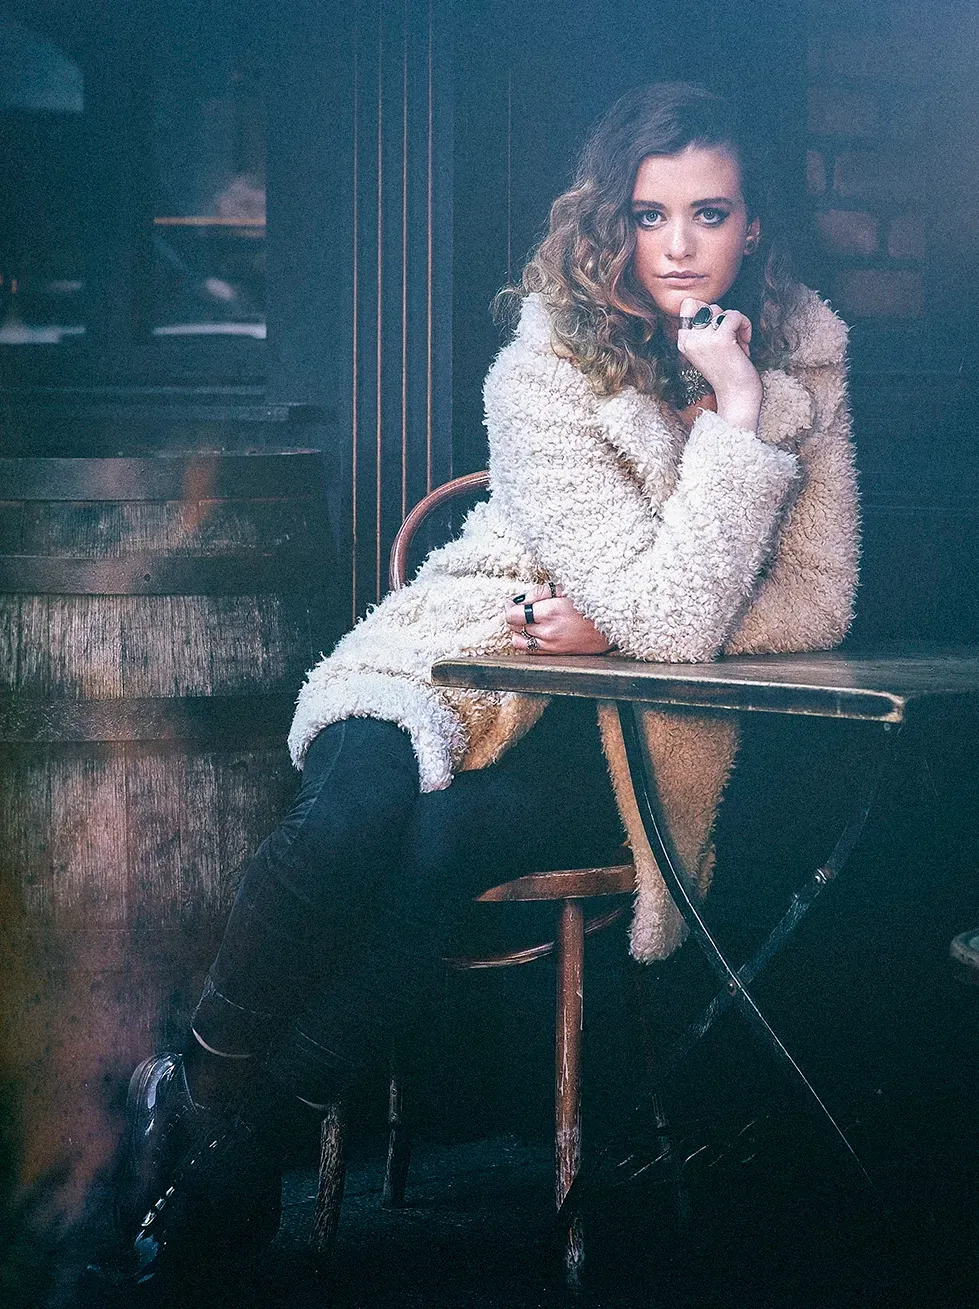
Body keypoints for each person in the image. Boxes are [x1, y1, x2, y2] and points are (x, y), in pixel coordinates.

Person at [94, 81, 859, 1295]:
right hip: (470, 635)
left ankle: (238, 1145)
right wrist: (643, 610)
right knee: (357, 807)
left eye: (707, 215)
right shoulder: (544, 364)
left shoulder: (800, 356)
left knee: (444, 841)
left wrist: (739, 415)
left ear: (751, 228)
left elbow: (810, 599)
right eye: (649, 216)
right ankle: (206, 1079)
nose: (676, 247)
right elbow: (669, 605)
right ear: (612, 220)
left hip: (622, 722)